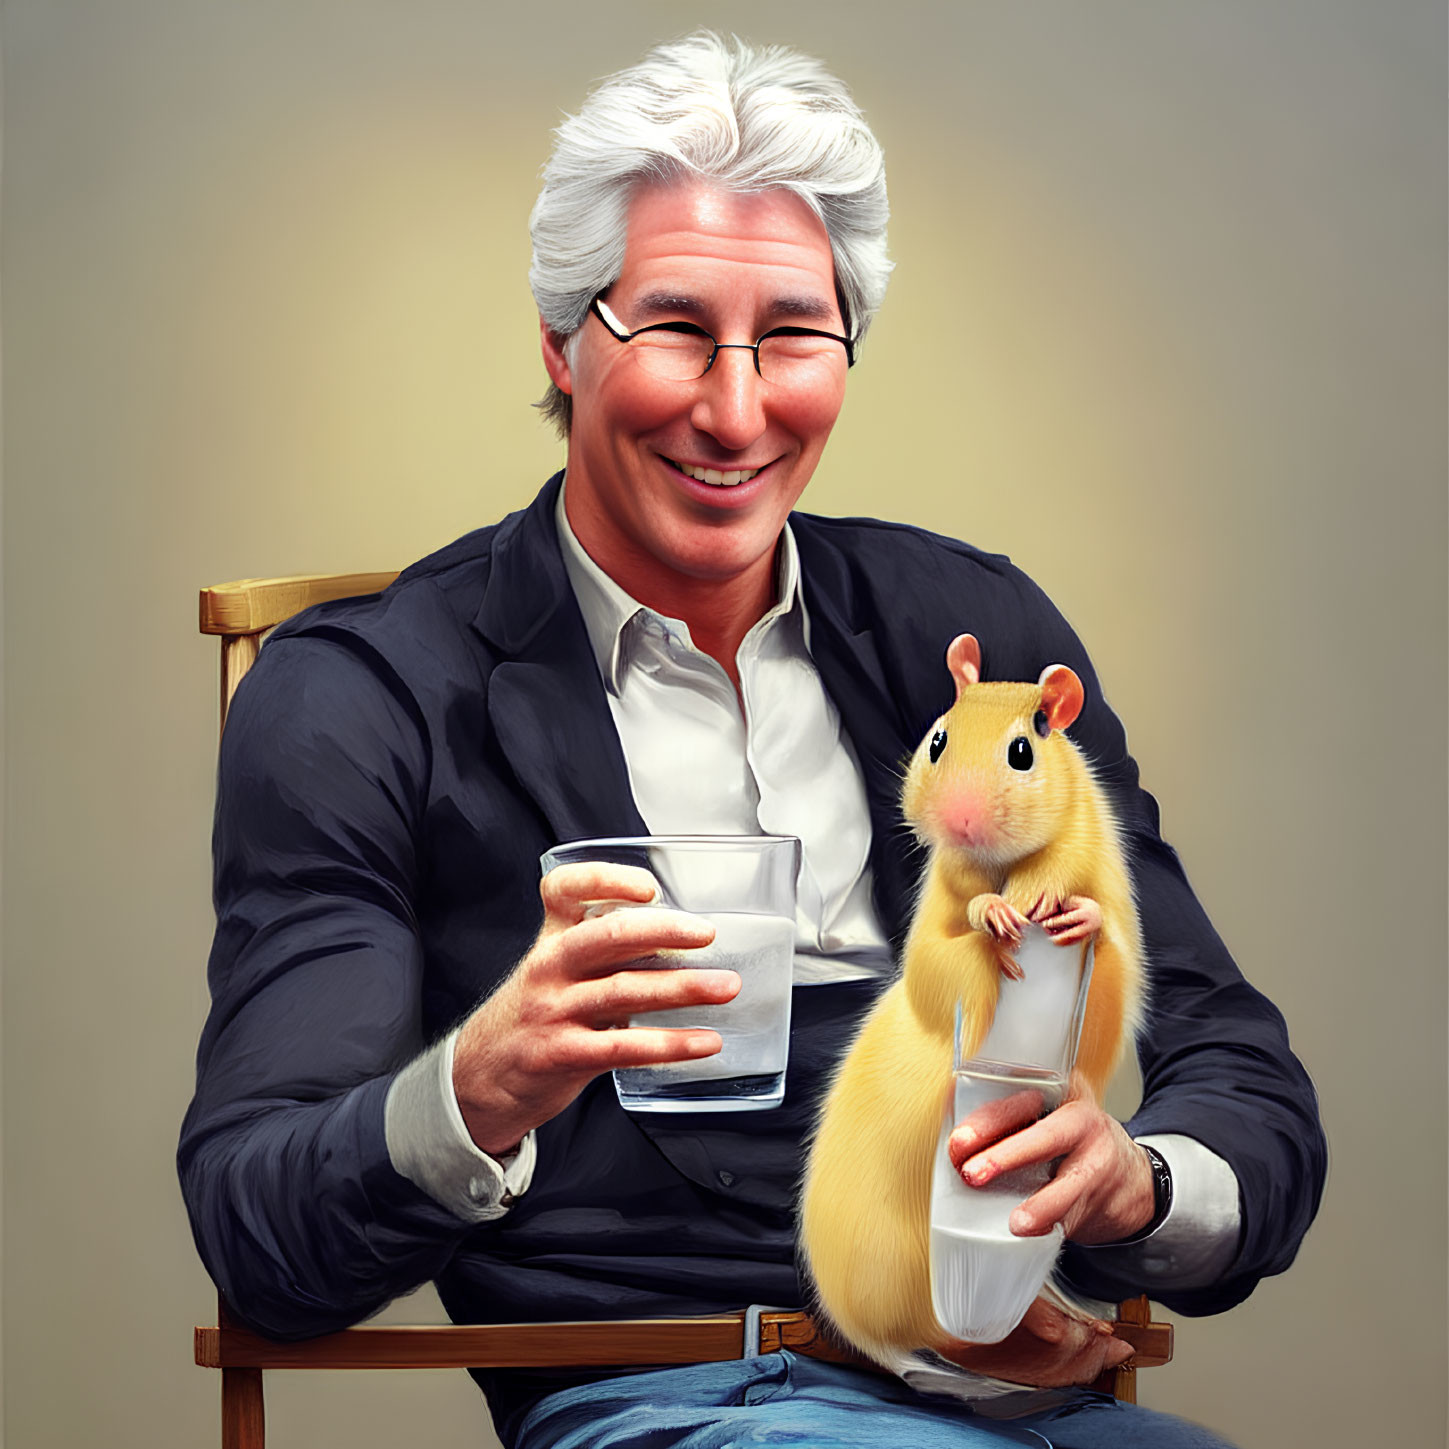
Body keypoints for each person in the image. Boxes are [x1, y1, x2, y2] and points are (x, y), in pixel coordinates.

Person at [179, 32, 1325, 1449]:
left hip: (1011, 1392)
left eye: (792, 334)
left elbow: (1234, 1061)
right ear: (560, 339)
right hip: (669, 1404)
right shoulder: (367, 693)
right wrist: (476, 1084)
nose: (736, 409)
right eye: (672, 328)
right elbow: (259, 1223)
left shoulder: (967, 646)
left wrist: (1138, 1181)